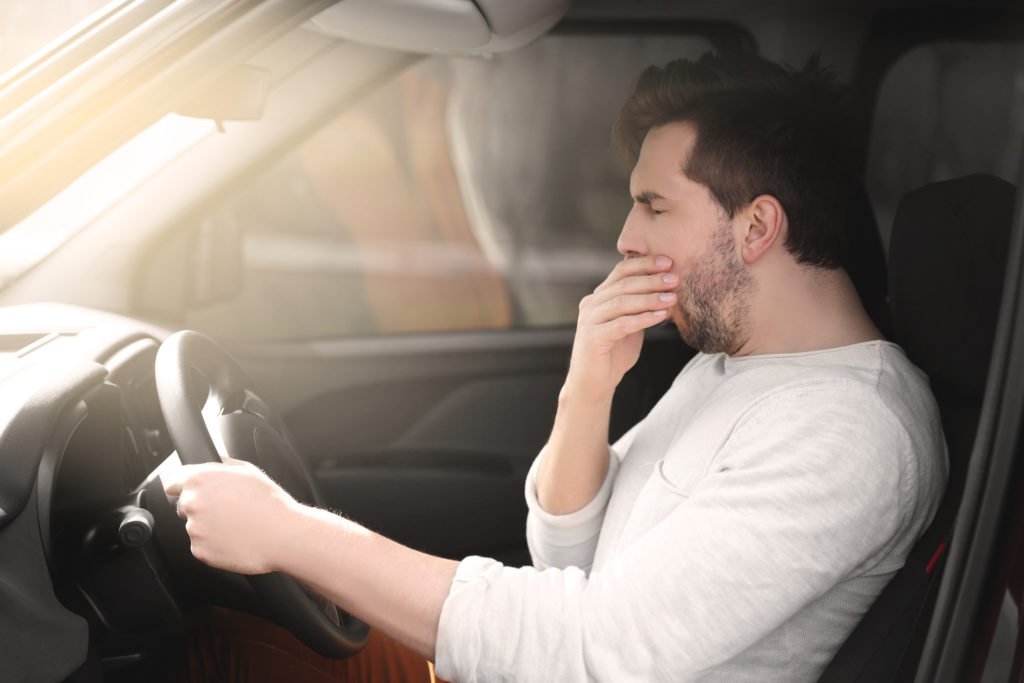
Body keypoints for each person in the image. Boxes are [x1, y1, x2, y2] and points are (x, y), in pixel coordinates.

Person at [164, 52, 947, 682]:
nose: (625, 238)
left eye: (655, 205)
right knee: (212, 639)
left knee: (204, 656)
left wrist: (289, 535)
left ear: (757, 227)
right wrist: (588, 385)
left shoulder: (850, 429)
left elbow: (590, 652)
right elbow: (568, 559)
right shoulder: (735, 365)